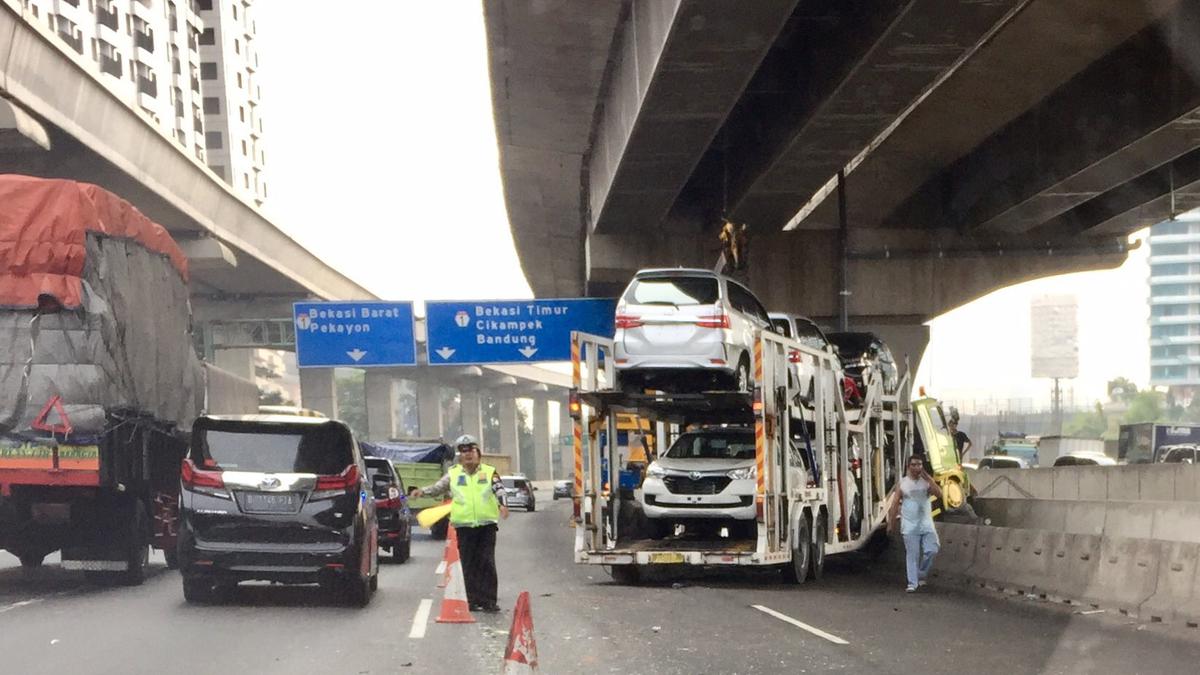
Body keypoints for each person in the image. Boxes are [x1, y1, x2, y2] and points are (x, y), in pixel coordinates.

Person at [409, 434, 509, 612]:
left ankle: (488, 600)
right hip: (464, 527)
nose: (468, 454)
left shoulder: (489, 471)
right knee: (468, 564)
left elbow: (499, 489)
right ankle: (470, 599)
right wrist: (421, 492)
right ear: (459, 456)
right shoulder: (453, 474)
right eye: (463, 451)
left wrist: (503, 505)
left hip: (486, 526)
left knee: (486, 563)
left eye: (471, 450)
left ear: (478, 452)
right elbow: (437, 488)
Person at [888, 455, 942, 592]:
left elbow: (939, 494)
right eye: (914, 465)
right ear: (909, 467)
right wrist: (891, 523)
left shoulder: (926, 482)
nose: (917, 467)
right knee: (912, 555)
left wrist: (929, 478)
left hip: (926, 524)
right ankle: (912, 583)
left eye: (919, 465)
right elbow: (894, 504)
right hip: (909, 525)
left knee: (932, 549)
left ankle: (921, 573)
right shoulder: (903, 483)